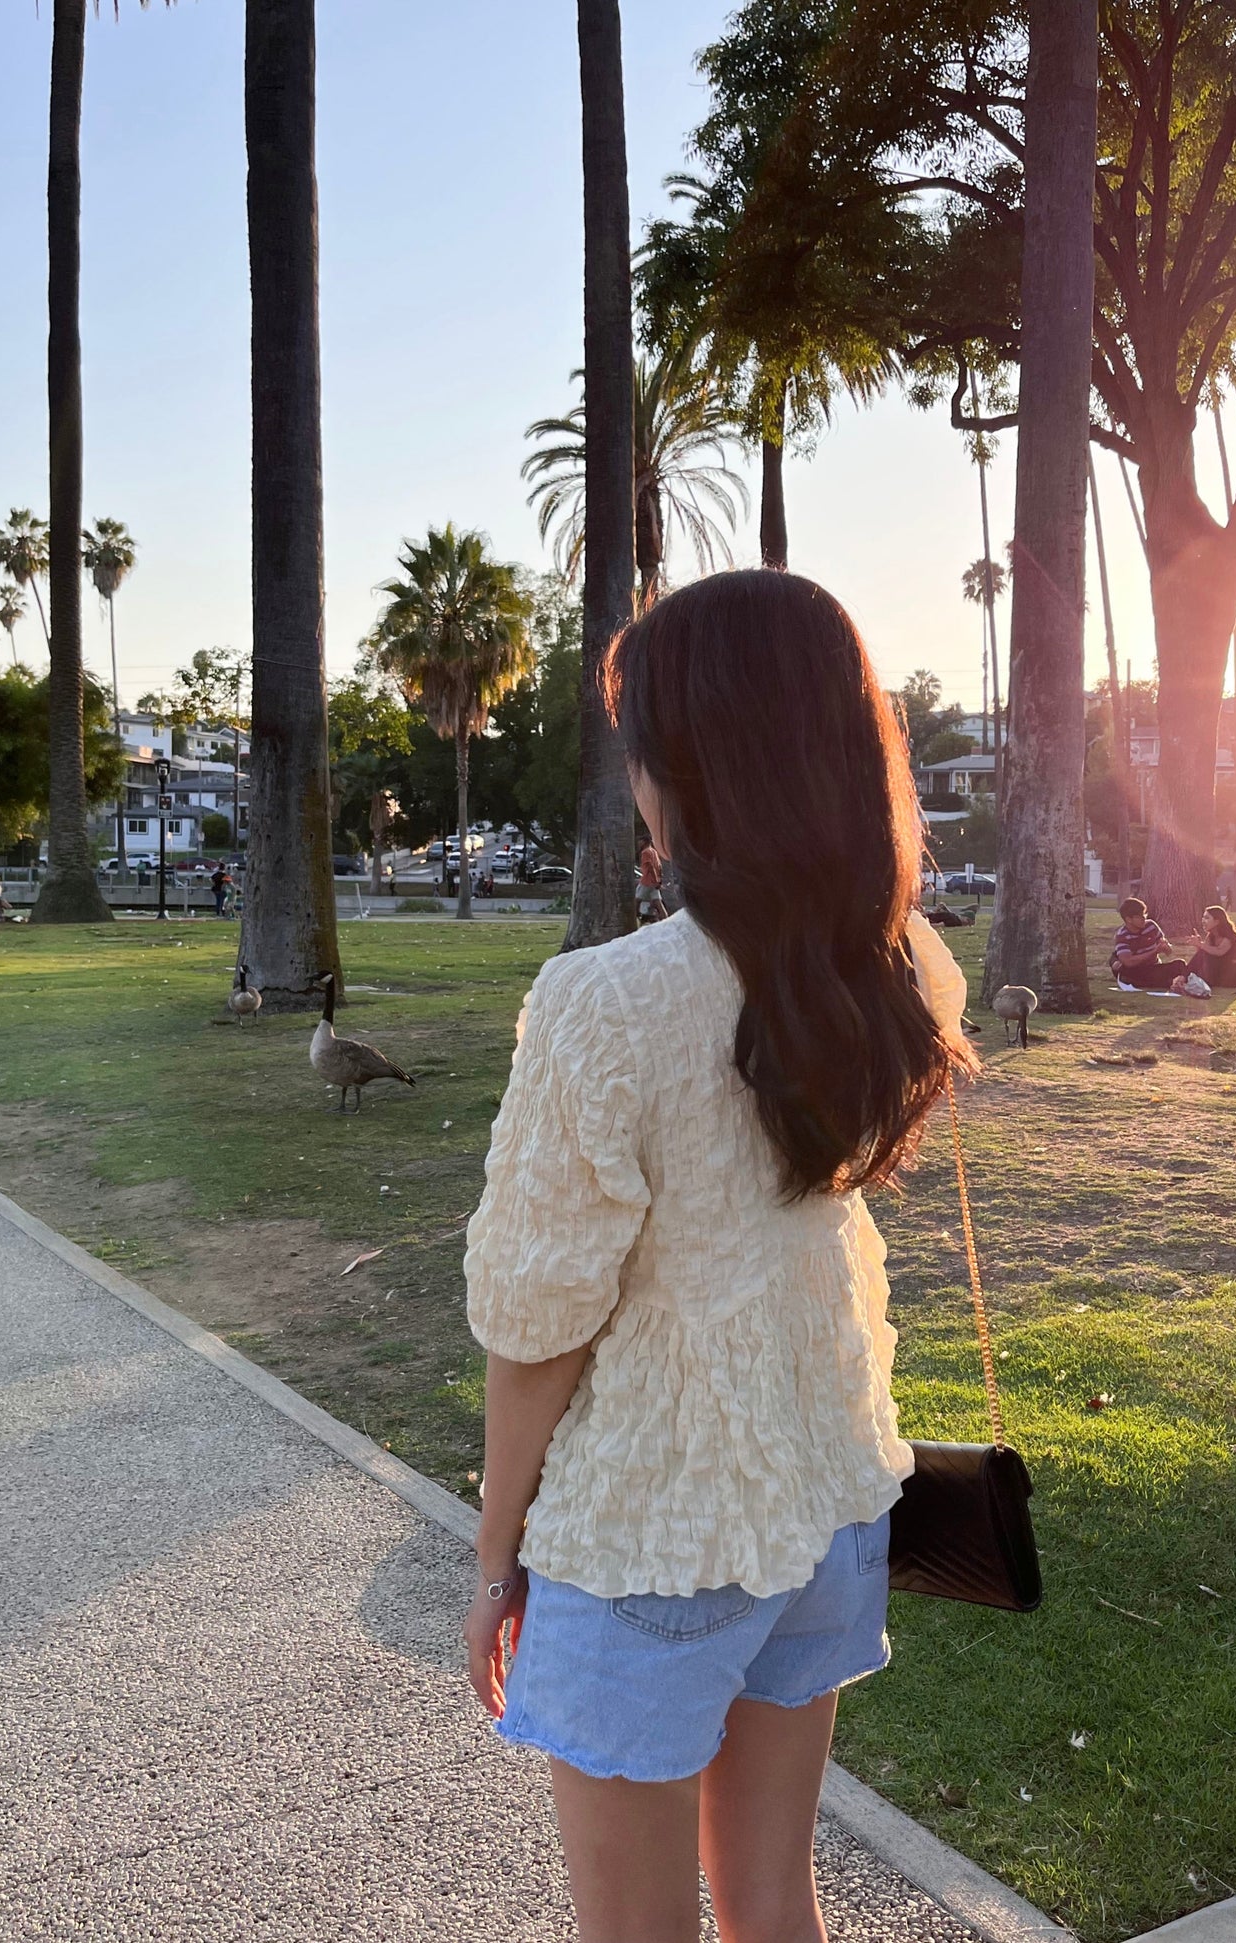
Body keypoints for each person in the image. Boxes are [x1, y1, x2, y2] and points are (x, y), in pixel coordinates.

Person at [462, 570, 973, 1943]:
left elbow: (536, 1325)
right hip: (825, 1507)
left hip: (651, 1533)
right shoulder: (905, 967)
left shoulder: (606, 1002)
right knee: (771, 1902)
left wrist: (496, 1551)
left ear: (689, 761)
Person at [1109, 896, 1189, 989]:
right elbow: (1129, 962)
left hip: (1153, 967)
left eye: (1144, 914)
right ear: (1129, 919)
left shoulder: (1151, 926)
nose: (1144, 918)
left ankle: (1178, 981)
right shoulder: (1122, 935)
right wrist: (1154, 951)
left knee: (1180, 964)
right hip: (1136, 971)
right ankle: (1171, 983)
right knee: (1127, 973)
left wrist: (1165, 947)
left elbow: (1169, 952)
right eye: (1139, 916)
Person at [1174, 905, 1236, 992]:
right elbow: (1203, 956)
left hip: (1234, 976)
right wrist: (1198, 945)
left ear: (1217, 921)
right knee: (1202, 953)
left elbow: (1219, 951)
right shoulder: (1211, 935)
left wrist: (1200, 944)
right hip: (1221, 972)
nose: (1203, 921)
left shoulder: (1230, 936)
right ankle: (1184, 978)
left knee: (1204, 953)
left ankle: (1187, 979)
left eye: (1207, 918)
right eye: (1203, 917)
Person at [636, 839, 667, 924]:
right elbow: (659, 866)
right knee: (658, 902)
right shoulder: (654, 852)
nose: (638, 843)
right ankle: (665, 919)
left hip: (646, 881)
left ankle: (635, 919)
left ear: (645, 842)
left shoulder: (645, 852)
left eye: (640, 841)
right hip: (653, 882)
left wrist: (655, 880)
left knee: (637, 900)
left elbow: (650, 867)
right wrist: (659, 879)